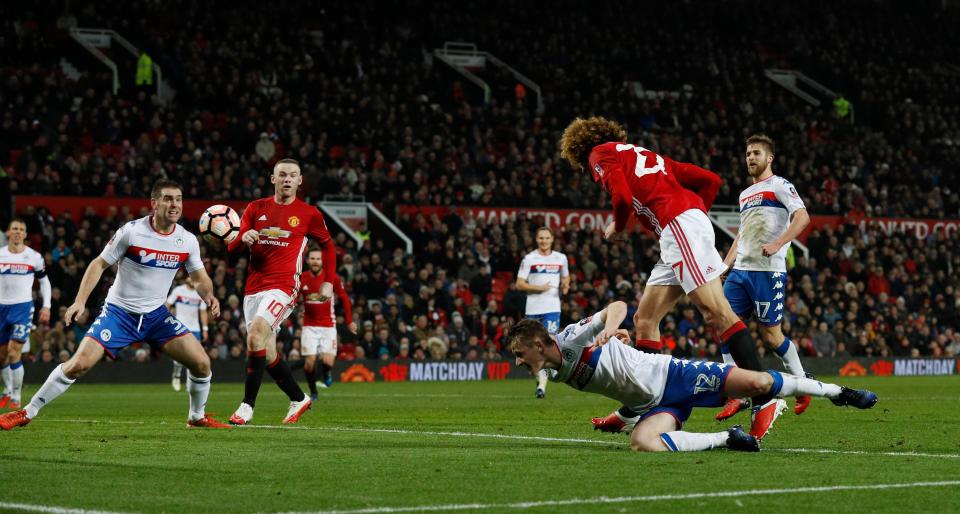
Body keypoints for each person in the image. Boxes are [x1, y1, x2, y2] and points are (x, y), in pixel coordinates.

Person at [559, 116, 781, 440]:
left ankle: (765, 398)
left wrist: (619, 227)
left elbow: (620, 198)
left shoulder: (600, 154)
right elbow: (710, 180)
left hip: (679, 228)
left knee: (717, 313)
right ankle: (642, 405)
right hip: (677, 230)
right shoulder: (648, 155)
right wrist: (693, 214)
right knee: (645, 319)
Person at [0, 180, 228, 430]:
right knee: (79, 364)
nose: (175, 204)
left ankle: (196, 417)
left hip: (156, 317)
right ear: (154, 203)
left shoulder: (187, 241)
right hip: (119, 314)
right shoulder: (131, 232)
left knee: (202, 363)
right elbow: (99, 264)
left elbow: (199, 277)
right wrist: (80, 301)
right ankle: (26, 412)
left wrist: (209, 296)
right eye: (168, 199)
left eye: (178, 199)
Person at [506, 301, 878, 453]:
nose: (519, 363)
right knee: (642, 444)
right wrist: (618, 418)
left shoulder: (571, 338)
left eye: (520, 354)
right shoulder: (553, 372)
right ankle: (727, 440)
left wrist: (611, 328)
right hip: (654, 405)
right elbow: (619, 382)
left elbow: (617, 307)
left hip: (674, 376)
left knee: (759, 384)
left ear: (541, 343)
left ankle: (838, 391)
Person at [227, 158, 338, 426]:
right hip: (254, 288)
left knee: (255, 334)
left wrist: (329, 281)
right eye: (282, 175)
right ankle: (299, 398)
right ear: (273, 179)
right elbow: (232, 250)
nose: (287, 179)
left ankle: (246, 406)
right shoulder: (256, 208)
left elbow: (328, 246)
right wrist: (243, 238)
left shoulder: (309, 214)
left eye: (293, 175)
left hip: (285, 287)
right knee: (266, 351)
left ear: (300, 181)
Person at [718, 134, 814, 420]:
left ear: (769, 158)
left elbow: (803, 217)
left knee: (771, 337)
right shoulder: (745, 194)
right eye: (748, 153)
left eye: (756, 153)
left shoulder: (781, 185)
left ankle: (803, 384)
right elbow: (743, 233)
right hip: (741, 271)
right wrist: (725, 264)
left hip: (767, 272)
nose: (750, 157)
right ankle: (736, 393)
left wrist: (777, 244)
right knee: (722, 322)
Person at [0, 219, 51, 410]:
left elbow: (45, 282)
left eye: (21, 229)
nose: (17, 232)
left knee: (15, 352)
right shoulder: (1, 254)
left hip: (22, 308)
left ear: (25, 234)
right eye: (14, 228)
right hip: (0, 308)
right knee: (2, 356)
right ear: (8, 232)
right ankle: (7, 390)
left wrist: (46, 306)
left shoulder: (34, 257)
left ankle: (16, 396)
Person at [515, 227, 569, 399]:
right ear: (536, 239)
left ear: (552, 239)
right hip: (532, 309)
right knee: (532, 347)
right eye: (540, 238)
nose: (544, 241)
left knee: (547, 345)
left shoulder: (561, 258)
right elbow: (519, 284)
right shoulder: (529, 259)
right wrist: (539, 288)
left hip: (552, 309)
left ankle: (542, 385)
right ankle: (540, 376)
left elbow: (566, 276)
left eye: (546, 237)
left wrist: (566, 285)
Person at [298, 247, 355, 400]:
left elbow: (344, 297)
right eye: (313, 259)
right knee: (309, 362)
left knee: (327, 361)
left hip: (328, 326)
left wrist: (349, 321)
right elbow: (293, 299)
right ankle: (313, 392)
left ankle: (327, 372)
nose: (315, 261)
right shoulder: (301, 278)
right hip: (309, 326)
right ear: (308, 260)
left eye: (318, 259)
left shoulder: (331, 278)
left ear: (323, 261)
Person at [166, 274, 209, 392]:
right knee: (180, 356)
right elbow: (167, 305)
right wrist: (167, 320)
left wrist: (205, 329)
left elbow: (203, 312)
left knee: (195, 358)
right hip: (180, 327)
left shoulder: (200, 293)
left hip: (195, 329)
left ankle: (190, 384)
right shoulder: (178, 291)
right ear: (186, 278)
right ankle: (176, 376)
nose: (192, 279)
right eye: (190, 277)